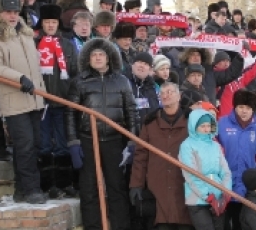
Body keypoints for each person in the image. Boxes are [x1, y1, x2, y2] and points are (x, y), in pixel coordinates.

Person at [65, 38, 139, 230]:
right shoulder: (79, 82)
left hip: (115, 141)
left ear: (109, 58)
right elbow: (70, 113)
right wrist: (73, 142)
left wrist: (132, 142)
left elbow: (131, 111)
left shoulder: (122, 81)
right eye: (94, 55)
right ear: (88, 59)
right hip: (88, 140)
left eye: (101, 55)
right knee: (89, 191)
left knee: (117, 189)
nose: (97, 58)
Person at [0, 0, 46, 203]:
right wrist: (19, 78)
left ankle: (22, 190)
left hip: (34, 98)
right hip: (13, 99)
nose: (13, 16)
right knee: (25, 145)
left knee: (35, 145)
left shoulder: (24, 34)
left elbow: (35, 67)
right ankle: (32, 189)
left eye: (16, 12)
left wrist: (41, 90)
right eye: (8, 12)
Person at [130, 82, 194, 230]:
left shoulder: (191, 121)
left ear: (179, 96)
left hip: (186, 187)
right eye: (163, 93)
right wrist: (136, 184)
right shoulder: (150, 122)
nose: (166, 96)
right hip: (158, 189)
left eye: (170, 92)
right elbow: (141, 156)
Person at [217, 89, 256, 230]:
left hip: (247, 190)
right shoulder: (221, 125)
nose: (244, 111)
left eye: (248, 108)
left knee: (241, 224)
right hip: (223, 186)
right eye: (241, 107)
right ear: (235, 107)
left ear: (253, 110)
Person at [34, 4, 78, 158]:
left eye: (53, 21)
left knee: (62, 144)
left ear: (58, 23)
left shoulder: (68, 45)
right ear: (42, 23)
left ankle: (63, 180)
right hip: (39, 102)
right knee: (43, 144)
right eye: (47, 22)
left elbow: (75, 72)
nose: (50, 25)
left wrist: (72, 95)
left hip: (62, 99)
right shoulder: (33, 44)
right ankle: (45, 179)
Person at [179, 109, 232, 230]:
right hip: (198, 200)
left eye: (208, 125)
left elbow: (225, 171)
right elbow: (191, 174)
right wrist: (207, 195)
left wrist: (226, 192)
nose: (206, 129)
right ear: (194, 126)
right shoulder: (187, 146)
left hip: (218, 197)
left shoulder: (215, 146)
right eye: (202, 126)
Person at [177, 47, 244, 105]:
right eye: (192, 55)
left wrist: (239, 57)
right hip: (187, 115)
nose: (196, 57)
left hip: (209, 114)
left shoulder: (210, 74)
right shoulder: (179, 73)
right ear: (186, 57)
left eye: (198, 55)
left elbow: (230, 74)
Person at [125, 52, 160, 125]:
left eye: (146, 64)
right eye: (139, 62)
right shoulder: (124, 83)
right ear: (133, 65)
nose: (142, 66)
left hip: (148, 131)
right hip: (128, 130)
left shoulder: (154, 87)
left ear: (150, 69)